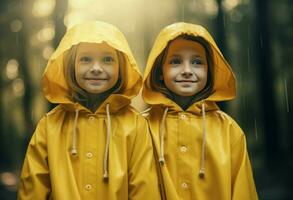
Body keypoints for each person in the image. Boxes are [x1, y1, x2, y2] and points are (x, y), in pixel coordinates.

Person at [18, 21, 161, 200]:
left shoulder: (136, 126)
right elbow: (33, 190)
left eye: (108, 59)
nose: (96, 68)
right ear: (71, 66)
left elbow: (144, 190)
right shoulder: (49, 126)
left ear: (121, 67)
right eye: (85, 59)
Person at [142, 22, 258, 200]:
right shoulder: (141, 127)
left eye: (197, 62)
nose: (187, 71)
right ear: (159, 71)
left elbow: (243, 191)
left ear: (209, 71)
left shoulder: (229, 130)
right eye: (175, 61)